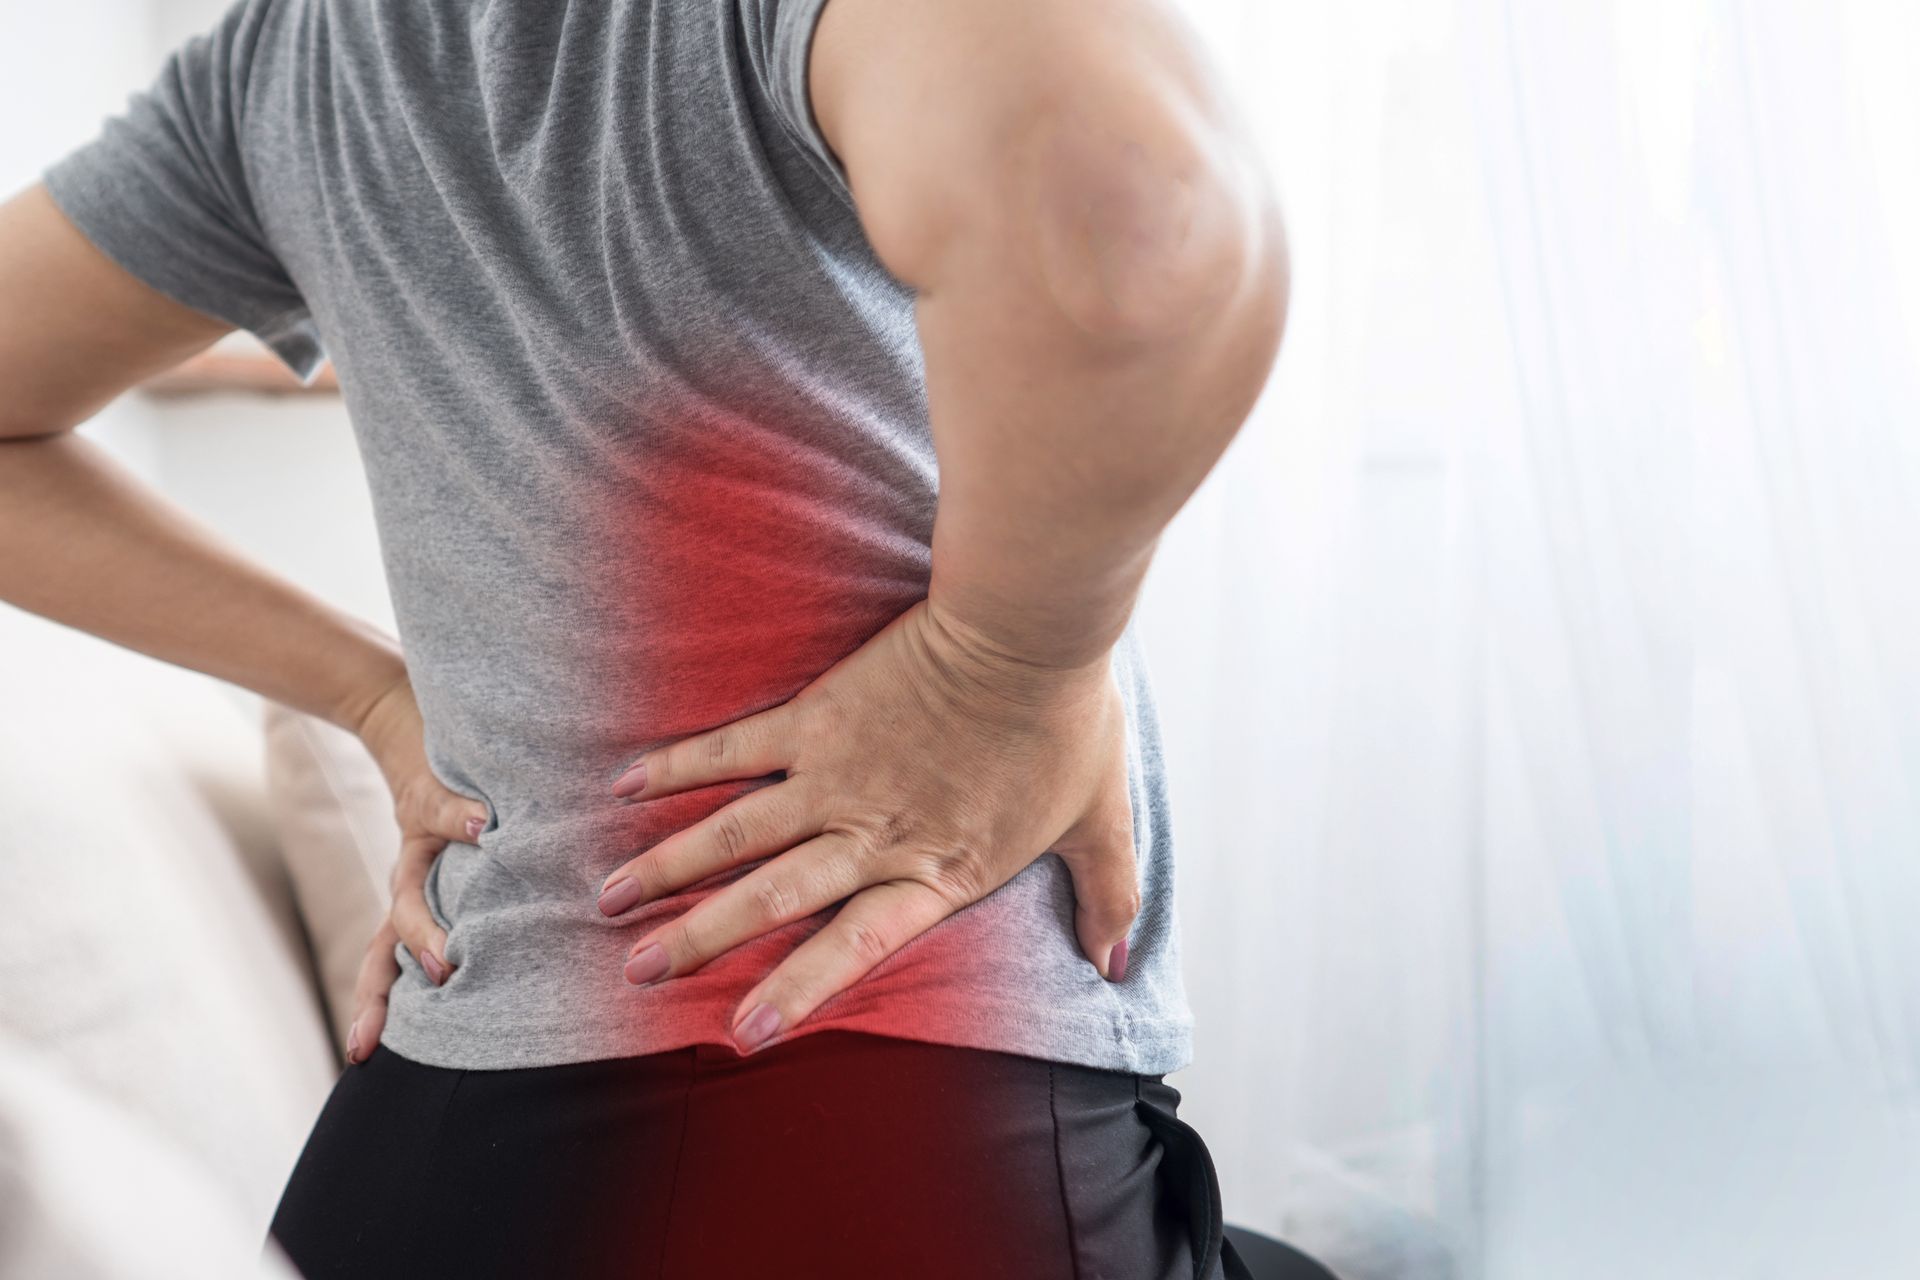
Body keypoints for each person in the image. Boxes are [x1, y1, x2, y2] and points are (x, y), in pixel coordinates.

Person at [0, 0, 1288, 1274]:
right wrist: (1004, 673)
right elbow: (1141, 223)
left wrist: (375, 695)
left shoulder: (284, 60)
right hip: (891, 1087)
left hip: (430, 1156)